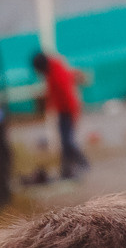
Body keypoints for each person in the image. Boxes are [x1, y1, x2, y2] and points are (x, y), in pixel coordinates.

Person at [30, 48, 89, 180]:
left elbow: (66, 94)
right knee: (64, 141)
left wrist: (72, 114)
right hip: (63, 110)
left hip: (68, 110)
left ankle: (83, 164)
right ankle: (66, 169)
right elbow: (52, 92)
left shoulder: (56, 73)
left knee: (68, 141)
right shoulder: (52, 71)